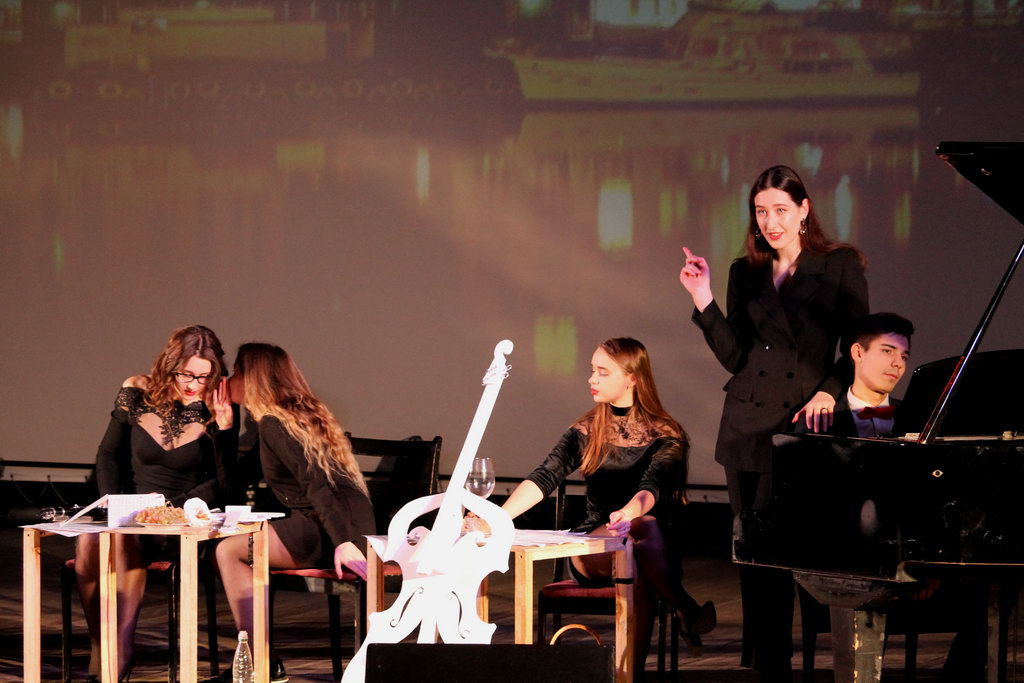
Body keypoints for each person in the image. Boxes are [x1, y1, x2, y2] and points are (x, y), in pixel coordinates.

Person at [679, 165, 868, 681]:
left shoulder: (839, 265)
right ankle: (769, 668)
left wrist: (829, 392)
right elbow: (735, 357)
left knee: (796, 555)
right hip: (746, 428)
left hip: (803, 428)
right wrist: (702, 298)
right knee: (757, 558)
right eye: (761, 212)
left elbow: (858, 349)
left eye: (781, 210)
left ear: (804, 209)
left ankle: (815, 663)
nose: (770, 222)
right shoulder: (746, 271)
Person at [489, 337, 716, 674]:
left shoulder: (665, 433)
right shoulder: (586, 430)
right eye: (592, 370)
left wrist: (629, 513)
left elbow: (652, 487)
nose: (592, 379)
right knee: (636, 543)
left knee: (640, 543)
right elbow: (544, 477)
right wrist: (496, 517)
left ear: (632, 378)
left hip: (647, 549)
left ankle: (628, 677)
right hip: (595, 548)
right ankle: (684, 606)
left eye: (603, 372)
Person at [75, 324, 236, 683]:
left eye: (203, 376)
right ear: (169, 365)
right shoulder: (137, 390)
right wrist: (112, 503)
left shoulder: (218, 406)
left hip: (179, 518)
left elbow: (223, 482)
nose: (193, 384)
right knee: (88, 540)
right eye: (186, 374)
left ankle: (120, 648)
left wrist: (169, 508)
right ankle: (103, 645)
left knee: (123, 541)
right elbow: (107, 455)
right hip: (128, 509)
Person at [208, 342, 375, 683]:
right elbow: (234, 484)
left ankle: (257, 662)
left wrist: (344, 542)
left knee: (229, 550)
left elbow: (318, 484)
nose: (228, 380)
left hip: (332, 527)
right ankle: (260, 661)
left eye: (236, 372)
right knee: (238, 548)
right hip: (336, 523)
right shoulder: (278, 420)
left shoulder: (276, 423)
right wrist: (225, 429)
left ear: (252, 378)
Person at [823, 312, 914, 438]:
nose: (898, 363)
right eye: (887, 351)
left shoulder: (917, 417)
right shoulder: (819, 419)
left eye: (904, 357)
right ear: (858, 353)